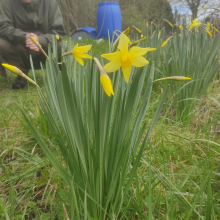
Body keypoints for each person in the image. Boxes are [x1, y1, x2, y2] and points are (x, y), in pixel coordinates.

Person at [0, 0, 66, 89]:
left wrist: (40, 40)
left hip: (46, 49)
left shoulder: (50, 2)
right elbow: (3, 27)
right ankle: (21, 75)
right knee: (3, 45)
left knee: (63, 46)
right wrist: (25, 37)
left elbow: (59, 31)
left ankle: (60, 75)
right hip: (21, 47)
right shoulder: (7, 2)